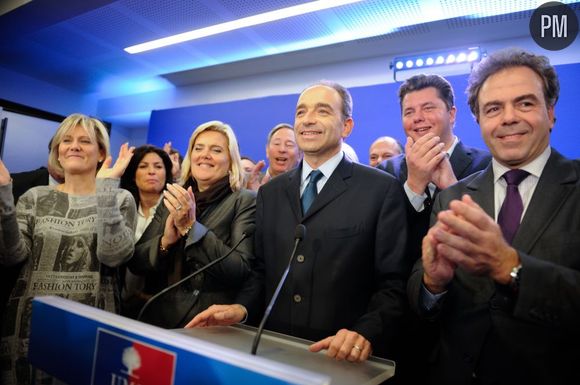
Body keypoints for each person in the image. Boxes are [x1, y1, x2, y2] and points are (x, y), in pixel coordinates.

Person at [188, 81, 408, 365]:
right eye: (301, 112)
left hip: (339, 358)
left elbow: (393, 284)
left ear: (347, 126)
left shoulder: (380, 189)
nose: (308, 119)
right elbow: (262, 271)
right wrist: (241, 309)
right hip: (274, 351)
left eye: (323, 111)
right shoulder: (271, 192)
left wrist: (365, 332)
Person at [408, 48, 580, 385]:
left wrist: (510, 267)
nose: (508, 118)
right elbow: (422, 293)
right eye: (493, 109)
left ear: (551, 112)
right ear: (479, 121)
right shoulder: (453, 197)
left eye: (525, 103)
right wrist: (433, 283)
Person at [0, 113, 136, 385]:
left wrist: (106, 190)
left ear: (100, 154)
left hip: (89, 330)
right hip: (29, 325)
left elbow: (113, 255)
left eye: (85, 141)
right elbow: (11, 255)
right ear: (57, 153)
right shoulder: (34, 197)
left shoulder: (121, 197)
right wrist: (4, 193)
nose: (74, 146)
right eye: (67, 141)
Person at [128, 121, 256, 328]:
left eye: (216, 150)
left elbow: (240, 270)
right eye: (198, 148)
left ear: (231, 160)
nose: (205, 155)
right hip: (158, 319)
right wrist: (165, 241)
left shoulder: (245, 200)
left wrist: (190, 227)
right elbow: (136, 262)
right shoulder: (174, 196)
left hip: (205, 323)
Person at [378, 74, 490, 262]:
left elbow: (494, 230)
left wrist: (452, 188)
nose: (418, 118)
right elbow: (384, 238)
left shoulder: (487, 165)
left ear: (452, 114)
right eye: (409, 112)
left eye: (428, 108)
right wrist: (414, 186)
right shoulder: (386, 171)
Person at [119, 145, 173, 318]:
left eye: (158, 166)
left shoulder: (175, 210)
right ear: (133, 175)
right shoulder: (122, 208)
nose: (152, 172)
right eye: (143, 166)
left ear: (167, 174)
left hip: (160, 304)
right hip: (122, 301)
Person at [245, 123, 301, 190]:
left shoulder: (307, 188)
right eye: (277, 143)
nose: (282, 149)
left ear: (300, 155)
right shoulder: (248, 184)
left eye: (289, 145)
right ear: (267, 150)